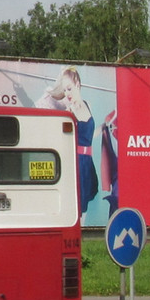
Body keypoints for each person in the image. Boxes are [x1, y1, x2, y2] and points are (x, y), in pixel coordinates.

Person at [44, 66, 98, 215]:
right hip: (77, 162)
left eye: (69, 88)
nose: (67, 93)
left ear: (78, 85)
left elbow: (90, 135)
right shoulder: (69, 112)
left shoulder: (88, 105)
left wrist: (104, 128)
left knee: (85, 203)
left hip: (88, 162)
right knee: (79, 206)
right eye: (64, 90)